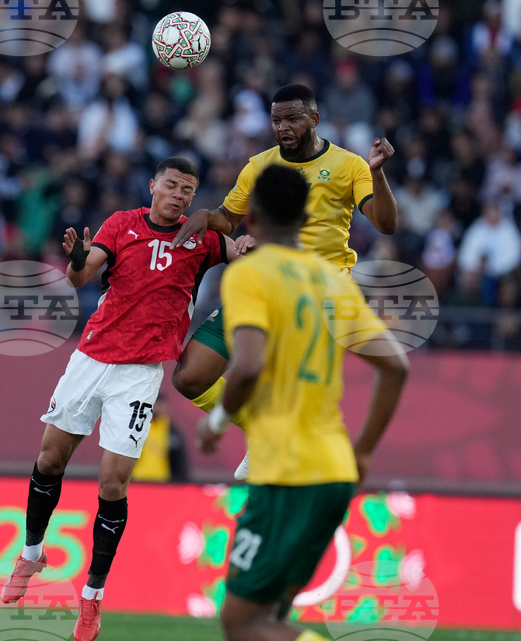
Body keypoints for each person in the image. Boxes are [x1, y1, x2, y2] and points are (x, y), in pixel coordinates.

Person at [0, 157, 254, 641]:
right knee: (49, 458)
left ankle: (92, 598)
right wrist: (76, 257)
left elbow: (243, 251)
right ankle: (32, 555)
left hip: (139, 376)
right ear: (153, 185)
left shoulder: (202, 238)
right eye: (173, 185)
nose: (180, 195)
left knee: (112, 484)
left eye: (188, 190)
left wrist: (244, 247)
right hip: (91, 359)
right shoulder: (122, 225)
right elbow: (79, 277)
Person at [196, 165, 409, 640]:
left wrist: (217, 422)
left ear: (251, 215)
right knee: (273, 618)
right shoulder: (333, 281)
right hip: (334, 471)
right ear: (305, 213)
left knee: (241, 622)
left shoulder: (251, 275)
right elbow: (396, 367)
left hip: (286, 475)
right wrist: (365, 449)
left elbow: (247, 366)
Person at [171, 83, 399, 480]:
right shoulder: (260, 165)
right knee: (190, 376)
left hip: (322, 294)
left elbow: (386, 224)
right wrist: (206, 216)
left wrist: (377, 174)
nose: (283, 128)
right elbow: (230, 217)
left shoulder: (349, 165)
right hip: (267, 281)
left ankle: (295, 449)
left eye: (293, 119)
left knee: (278, 383)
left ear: (314, 119)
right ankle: (259, 429)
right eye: (277, 120)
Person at [130, 393, 188, 483]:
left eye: (160, 403)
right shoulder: (135, 428)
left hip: (163, 483)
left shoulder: (172, 431)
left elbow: (180, 462)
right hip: (137, 482)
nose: (156, 406)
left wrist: (180, 483)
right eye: (154, 402)